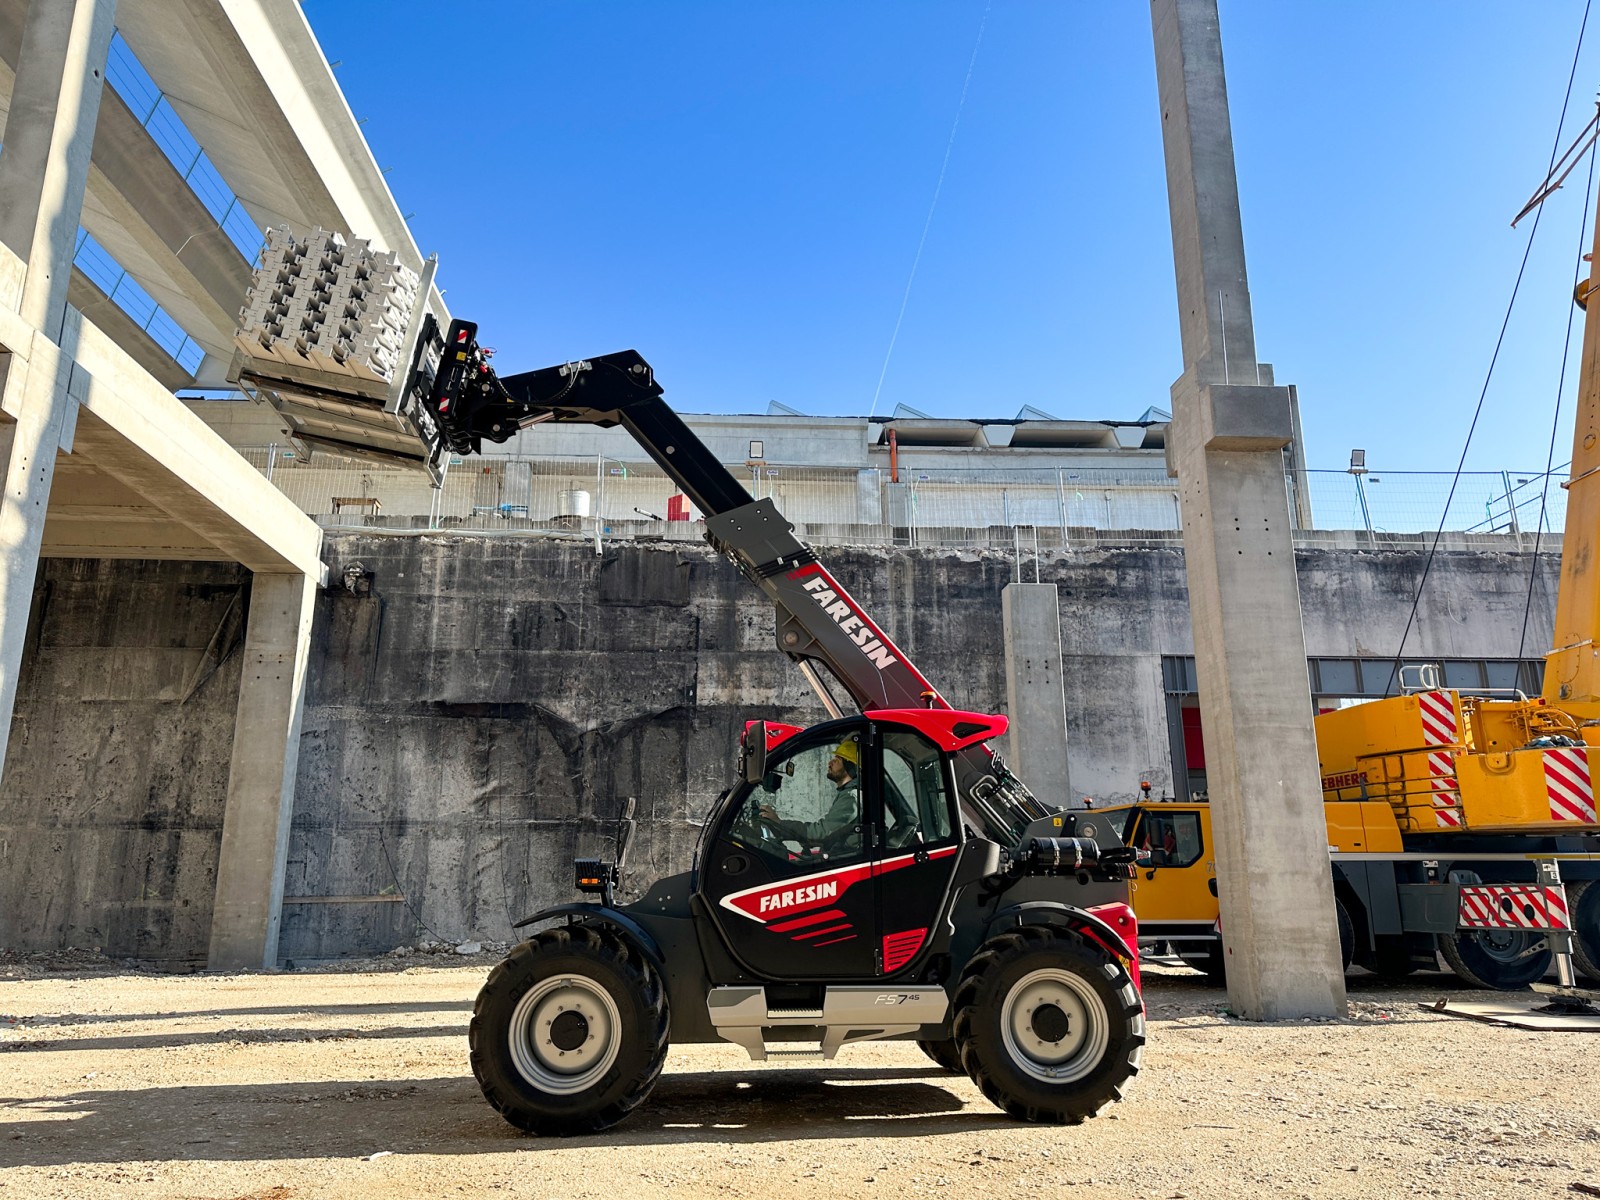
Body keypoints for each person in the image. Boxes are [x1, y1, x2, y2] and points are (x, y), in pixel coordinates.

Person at [760, 737, 862, 850]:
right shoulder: (847, 794)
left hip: (842, 858)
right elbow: (830, 835)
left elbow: (820, 833)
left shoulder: (852, 797)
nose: (830, 763)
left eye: (837, 759)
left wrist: (779, 823)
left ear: (850, 766)